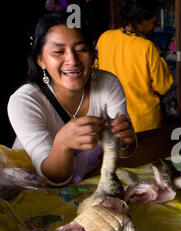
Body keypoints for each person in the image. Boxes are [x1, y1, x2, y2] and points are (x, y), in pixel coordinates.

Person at [7, 12, 136, 186]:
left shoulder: (108, 84)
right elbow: (52, 177)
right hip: (30, 190)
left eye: (81, 50)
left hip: (84, 182)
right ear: (40, 60)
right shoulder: (24, 102)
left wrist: (125, 140)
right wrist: (62, 144)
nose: (72, 60)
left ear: (92, 54)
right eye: (58, 51)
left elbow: (125, 150)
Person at [97, 0, 173, 132]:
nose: (155, 25)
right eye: (154, 21)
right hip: (144, 122)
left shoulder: (104, 38)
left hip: (112, 119)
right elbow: (163, 86)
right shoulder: (146, 47)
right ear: (141, 20)